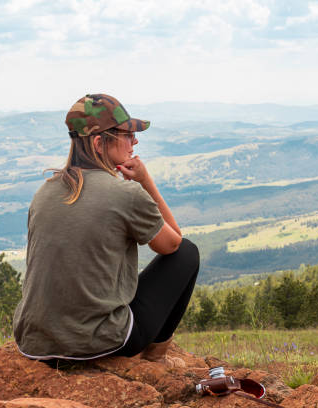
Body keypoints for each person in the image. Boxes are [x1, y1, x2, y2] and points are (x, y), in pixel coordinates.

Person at [13, 94, 199, 367]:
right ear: (100, 143)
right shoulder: (124, 194)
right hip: (96, 342)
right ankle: (156, 359)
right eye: (127, 134)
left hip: (34, 343)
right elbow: (173, 243)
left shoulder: (44, 191)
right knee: (187, 253)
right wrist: (146, 181)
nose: (134, 141)